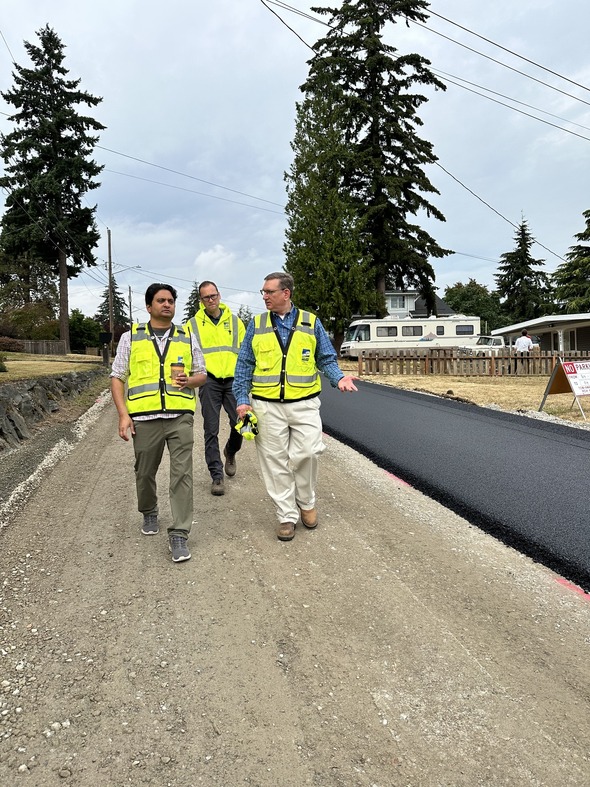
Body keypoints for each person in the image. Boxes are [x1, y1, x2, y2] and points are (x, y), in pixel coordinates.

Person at [233, 271, 358, 541]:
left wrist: (338, 378)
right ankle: (286, 516)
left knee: (309, 452)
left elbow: (325, 358)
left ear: (286, 293)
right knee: (274, 461)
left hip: (304, 404)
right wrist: (243, 401)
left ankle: (307, 500)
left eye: (269, 292)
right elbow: (244, 365)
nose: (264, 296)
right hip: (266, 406)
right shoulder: (256, 324)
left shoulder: (311, 322)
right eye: (263, 292)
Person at [110, 283, 207, 563]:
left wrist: (190, 380)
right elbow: (117, 376)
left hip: (180, 417)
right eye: (161, 300)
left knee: (182, 475)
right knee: (144, 472)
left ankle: (179, 533)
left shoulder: (187, 337)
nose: (167, 304)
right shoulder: (131, 338)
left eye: (171, 301)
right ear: (149, 306)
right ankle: (149, 510)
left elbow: (202, 374)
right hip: (145, 419)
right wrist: (123, 414)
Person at [185, 281, 245, 496]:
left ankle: (230, 451)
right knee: (210, 429)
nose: (211, 300)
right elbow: (185, 354)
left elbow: (245, 354)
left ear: (219, 295)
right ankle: (216, 475)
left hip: (232, 381)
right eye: (206, 297)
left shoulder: (236, 323)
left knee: (241, 422)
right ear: (200, 301)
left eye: (213, 295)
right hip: (208, 381)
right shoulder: (192, 325)